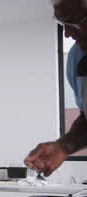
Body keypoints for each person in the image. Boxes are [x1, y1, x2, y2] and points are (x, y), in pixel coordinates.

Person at [24, 0, 87, 176]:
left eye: (75, 21)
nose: (67, 34)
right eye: (62, 23)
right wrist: (64, 146)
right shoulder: (78, 57)